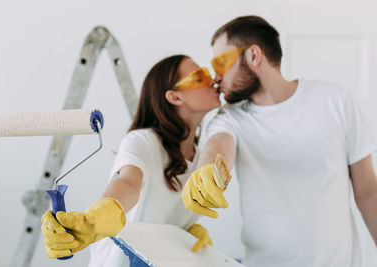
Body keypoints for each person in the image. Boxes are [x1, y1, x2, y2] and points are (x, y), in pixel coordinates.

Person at [182, 15, 377, 267]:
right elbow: (219, 146)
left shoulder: (335, 100)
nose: (215, 77)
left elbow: (368, 191)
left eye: (221, 63)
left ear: (253, 55)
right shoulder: (229, 118)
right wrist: (208, 170)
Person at [41, 54, 221, 266]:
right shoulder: (142, 141)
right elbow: (128, 182)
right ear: (175, 97)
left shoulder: (202, 159)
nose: (213, 80)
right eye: (199, 76)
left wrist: (184, 234)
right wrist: (98, 218)